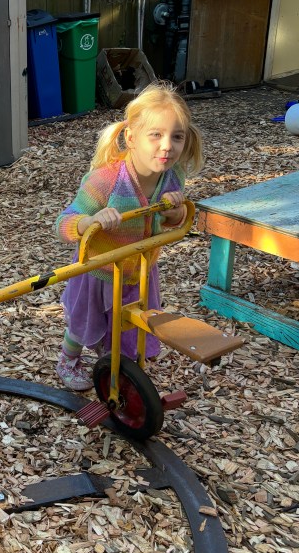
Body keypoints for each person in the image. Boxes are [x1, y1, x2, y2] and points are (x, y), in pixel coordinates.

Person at [54, 81, 204, 391]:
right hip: (99, 270)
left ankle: (115, 367)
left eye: (177, 137)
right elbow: (63, 222)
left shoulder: (172, 176)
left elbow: (170, 220)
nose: (167, 146)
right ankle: (68, 360)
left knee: (127, 324)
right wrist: (90, 221)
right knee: (84, 323)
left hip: (140, 270)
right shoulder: (106, 181)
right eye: (156, 135)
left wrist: (174, 212)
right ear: (131, 137)